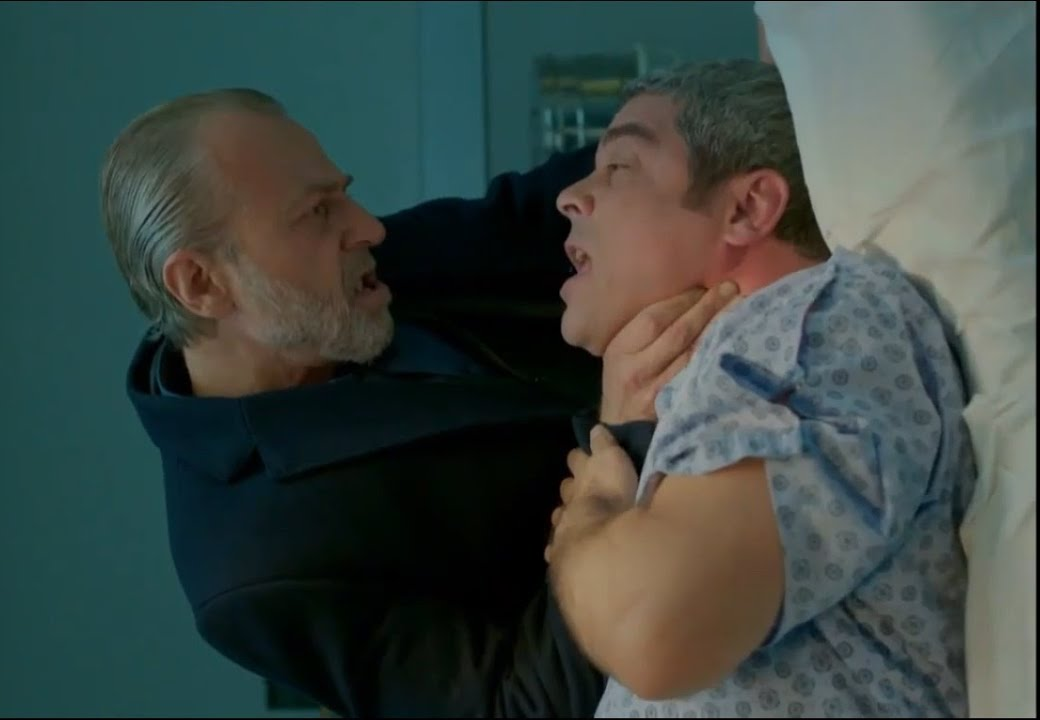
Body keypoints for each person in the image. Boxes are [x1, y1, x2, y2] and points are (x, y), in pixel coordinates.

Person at [99, 89, 732, 717]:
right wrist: (623, 443)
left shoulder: (352, 265)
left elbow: (544, 211)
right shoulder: (248, 576)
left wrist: (688, 137)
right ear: (202, 284)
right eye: (316, 212)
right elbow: (516, 706)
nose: (369, 227)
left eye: (341, 193)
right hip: (712, 608)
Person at [545, 58, 975, 717]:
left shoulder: (816, 323)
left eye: (620, 167)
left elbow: (652, 623)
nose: (570, 196)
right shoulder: (749, 365)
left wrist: (586, 525)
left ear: (747, 208)